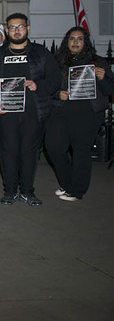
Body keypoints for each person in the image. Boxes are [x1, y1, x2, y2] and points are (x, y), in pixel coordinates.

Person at [0, 12, 61, 206]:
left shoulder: (41, 53)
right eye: (13, 28)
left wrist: (38, 86)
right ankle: (9, 191)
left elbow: (56, 79)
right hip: (5, 113)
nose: (17, 31)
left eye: (21, 27)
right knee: (8, 151)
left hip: (33, 113)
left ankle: (27, 191)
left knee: (29, 152)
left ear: (28, 29)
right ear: (7, 31)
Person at [45, 26, 114, 201]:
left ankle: (77, 190)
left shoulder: (97, 62)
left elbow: (110, 89)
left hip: (88, 113)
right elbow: (48, 86)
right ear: (66, 42)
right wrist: (57, 93)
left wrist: (103, 77)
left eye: (80, 39)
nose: (75, 42)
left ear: (86, 42)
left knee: (81, 151)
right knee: (54, 147)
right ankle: (68, 183)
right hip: (61, 110)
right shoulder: (57, 62)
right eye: (72, 39)